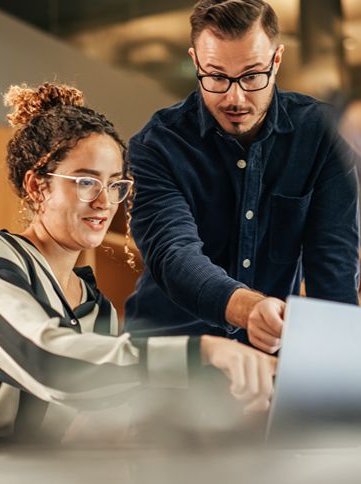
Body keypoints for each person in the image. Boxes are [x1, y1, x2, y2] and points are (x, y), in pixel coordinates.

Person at [0, 82, 276, 442]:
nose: (105, 202)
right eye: (86, 182)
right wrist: (201, 352)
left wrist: (219, 403)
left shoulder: (96, 307)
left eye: (115, 185)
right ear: (37, 186)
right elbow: (48, 361)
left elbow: (94, 418)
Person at [124, 0, 360, 353]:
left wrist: (335, 372)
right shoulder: (157, 145)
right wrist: (248, 308)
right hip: (168, 354)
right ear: (195, 62)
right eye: (217, 76)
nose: (235, 98)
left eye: (251, 76)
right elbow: (173, 254)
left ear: (276, 60)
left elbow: (334, 272)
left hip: (267, 358)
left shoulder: (322, 136)